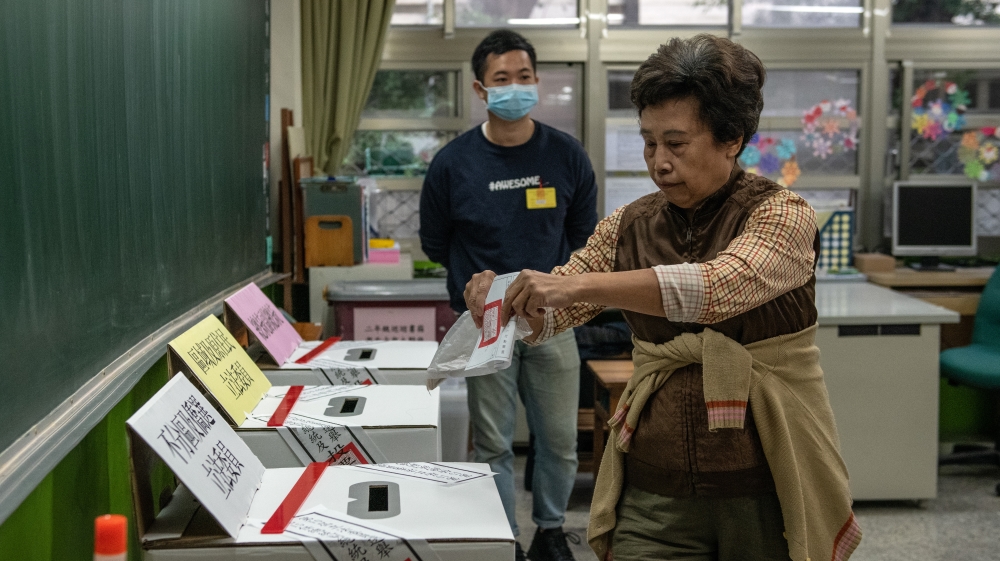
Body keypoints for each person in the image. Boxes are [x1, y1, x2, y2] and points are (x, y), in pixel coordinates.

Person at [464, 35, 861, 561]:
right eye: (649, 142)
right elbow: (555, 311)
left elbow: (717, 288)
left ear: (731, 139)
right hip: (656, 481)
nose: (659, 162)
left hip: (767, 478)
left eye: (676, 143)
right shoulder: (630, 225)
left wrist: (573, 285)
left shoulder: (782, 214)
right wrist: (504, 302)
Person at [419, 29, 598, 561]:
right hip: (487, 323)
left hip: (552, 319)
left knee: (559, 439)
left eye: (524, 76)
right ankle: (505, 540)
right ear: (481, 89)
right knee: (493, 442)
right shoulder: (453, 163)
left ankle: (550, 531)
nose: (515, 87)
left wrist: (556, 290)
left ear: (536, 81)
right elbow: (435, 242)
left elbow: (582, 234)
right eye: (502, 79)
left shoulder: (565, 155)